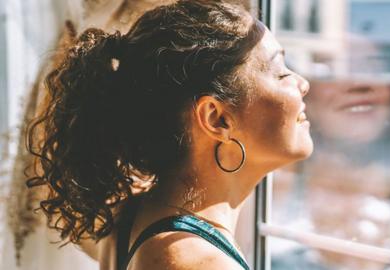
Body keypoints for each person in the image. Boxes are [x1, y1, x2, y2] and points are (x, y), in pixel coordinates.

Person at [25, 1, 312, 269]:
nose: (303, 83)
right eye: (281, 73)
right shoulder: (194, 261)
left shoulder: (131, 216)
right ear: (217, 118)